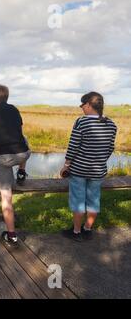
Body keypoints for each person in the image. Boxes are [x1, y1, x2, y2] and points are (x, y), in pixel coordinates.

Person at [60, 92, 117, 241]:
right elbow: (110, 147)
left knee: (78, 200)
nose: (81, 108)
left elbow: (73, 146)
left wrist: (66, 165)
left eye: (82, 105)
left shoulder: (82, 122)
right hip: (98, 171)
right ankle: (87, 229)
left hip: (79, 170)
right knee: (93, 201)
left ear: (89, 105)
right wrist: (100, 160)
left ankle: (76, 232)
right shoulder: (111, 124)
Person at [0, 85, 31, 247]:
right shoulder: (14, 109)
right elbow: (20, 133)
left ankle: (12, 235)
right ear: (7, 97)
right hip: (22, 154)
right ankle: (22, 171)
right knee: (26, 140)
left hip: (1, 158)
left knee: (6, 197)